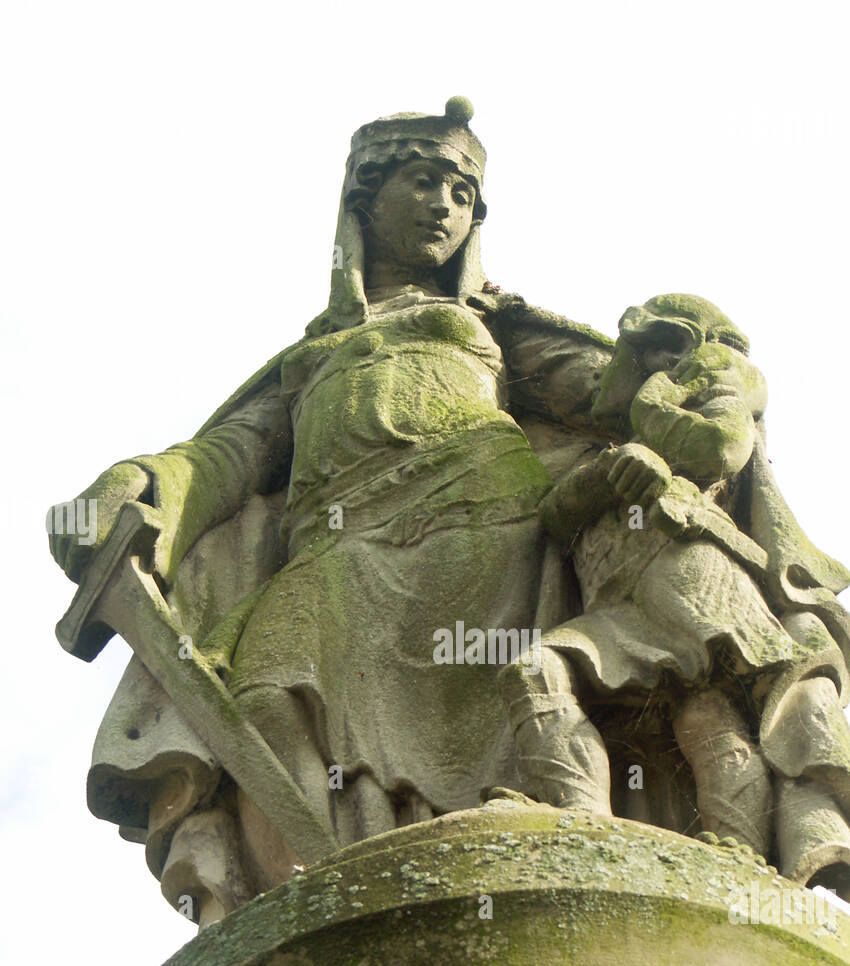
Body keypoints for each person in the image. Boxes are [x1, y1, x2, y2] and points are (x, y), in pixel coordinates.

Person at [49, 99, 614, 923]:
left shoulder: (490, 323)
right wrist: (140, 482)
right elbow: (230, 456)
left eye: (462, 194)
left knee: (490, 693)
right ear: (364, 199)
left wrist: (690, 378)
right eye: (425, 182)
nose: (443, 207)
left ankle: (517, 858)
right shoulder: (314, 353)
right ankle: (321, 891)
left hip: (481, 516)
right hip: (337, 540)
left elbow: (604, 394)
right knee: (266, 693)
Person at [498, 295, 850, 903]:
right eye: (644, 348)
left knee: (704, 707)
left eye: (668, 344)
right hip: (621, 596)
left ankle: (744, 864)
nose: (653, 359)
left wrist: (653, 414)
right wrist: (610, 472)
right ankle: (582, 822)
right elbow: (557, 513)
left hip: (694, 567)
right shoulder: (607, 444)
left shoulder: (722, 382)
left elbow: (720, 450)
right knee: (538, 670)